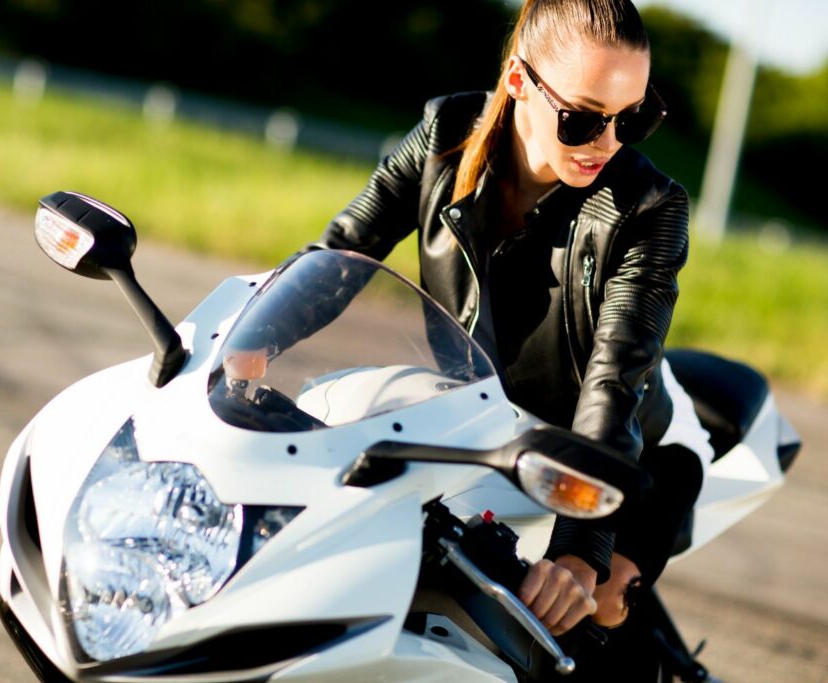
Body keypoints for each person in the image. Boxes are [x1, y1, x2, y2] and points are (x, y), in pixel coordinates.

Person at [306, 0, 715, 677]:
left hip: (631, 449)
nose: (609, 142)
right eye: (584, 118)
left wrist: (583, 549)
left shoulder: (650, 207)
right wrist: (237, 348)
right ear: (520, 81)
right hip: (491, 423)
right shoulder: (444, 133)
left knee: (588, 616)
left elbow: (612, 384)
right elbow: (340, 253)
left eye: (634, 118)